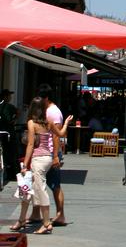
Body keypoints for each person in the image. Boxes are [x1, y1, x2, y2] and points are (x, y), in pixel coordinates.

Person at [10, 97, 72, 234]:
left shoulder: (31, 123)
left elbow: (31, 145)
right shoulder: (48, 122)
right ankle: (21, 219)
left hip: (37, 160)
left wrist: (24, 164)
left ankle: (45, 223)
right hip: (48, 158)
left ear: (32, 108)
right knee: (26, 189)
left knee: (39, 189)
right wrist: (66, 123)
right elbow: (61, 134)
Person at [28, 84, 68, 226]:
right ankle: (35, 213)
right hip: (46, 153)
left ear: (46, 98)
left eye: (40, 98)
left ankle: (60, 215)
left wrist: (56, 156)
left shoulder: (53, 112)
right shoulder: (46, 110)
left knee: (54, 185)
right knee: (39, 183)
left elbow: (56, 136)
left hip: (50, 153)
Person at [0, 89, 17, 180]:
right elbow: (17, 112)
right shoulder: (9, 107)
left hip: (4, 132)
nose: (10, 97)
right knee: (10, 153)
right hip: (8, 133)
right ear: (5, 97)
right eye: (9, 96)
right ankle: (11, 174)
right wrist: (13, 120)